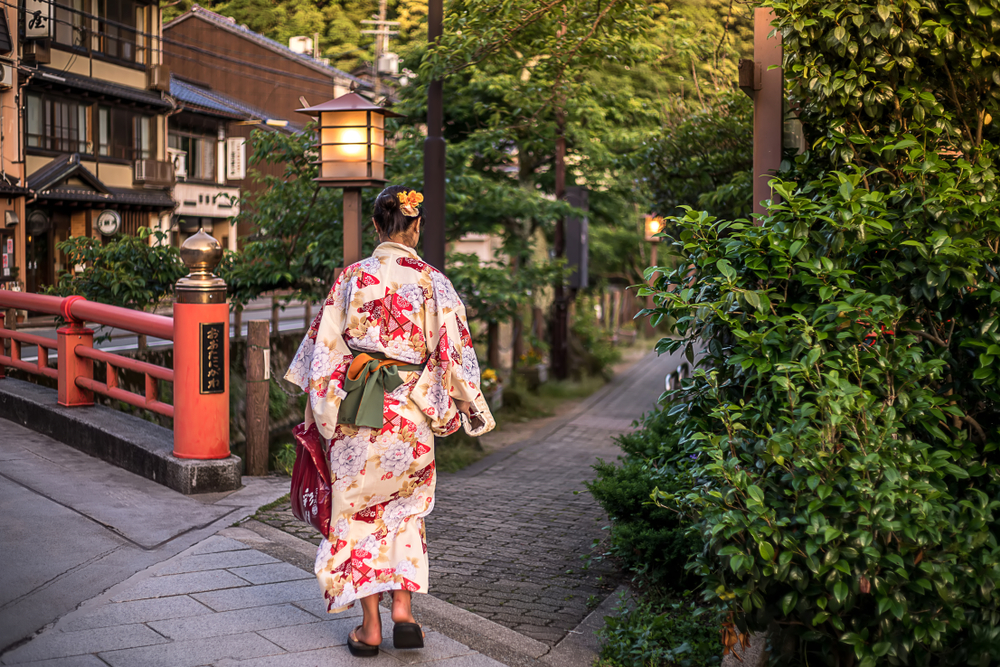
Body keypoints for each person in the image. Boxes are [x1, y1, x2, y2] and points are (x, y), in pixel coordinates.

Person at [285, 185, 495, 658]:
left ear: (377, 226)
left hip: (358, 410)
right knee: (405, 512)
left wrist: (323, 414)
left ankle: (371, 626)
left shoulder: (350, 278)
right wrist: (471, 407)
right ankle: (405, 611)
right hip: (408, 416)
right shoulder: (433, 281)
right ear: (415, 228)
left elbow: (324, 354)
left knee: (358, 515)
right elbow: (454, 353)